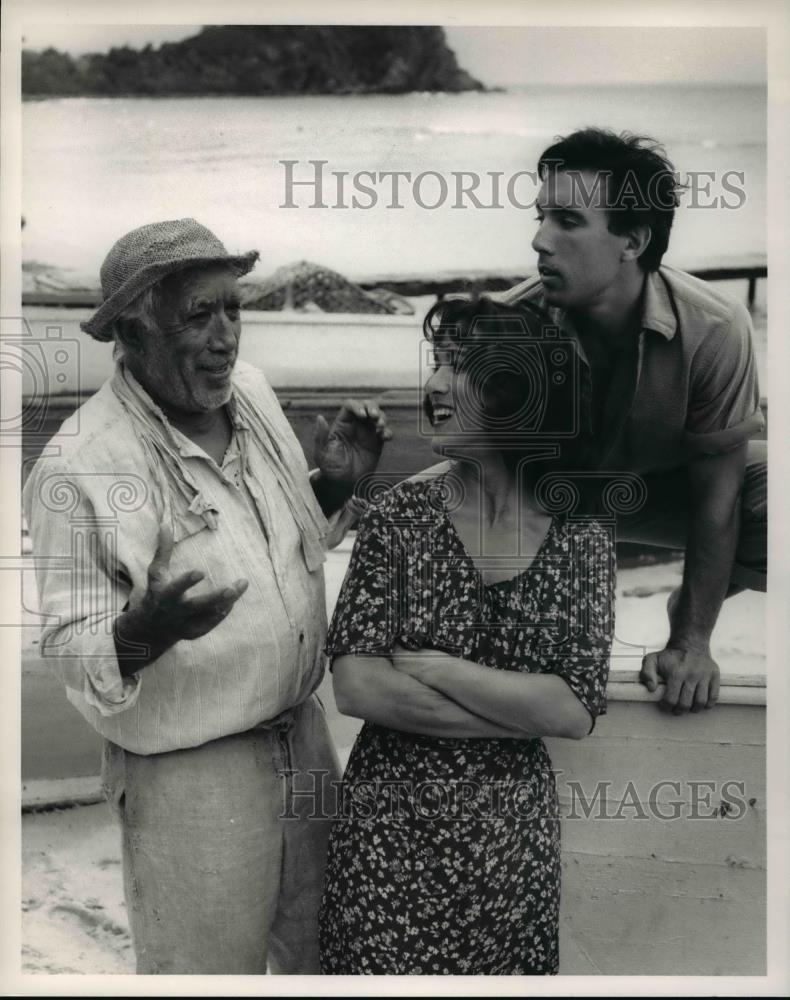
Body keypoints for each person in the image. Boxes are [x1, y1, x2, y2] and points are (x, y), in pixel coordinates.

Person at [22, 218, 391, 975]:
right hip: (192, 780)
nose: (227, 338)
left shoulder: (250, 392)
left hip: (305, 740)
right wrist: (145, 632)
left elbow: (277, 538)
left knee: (327, 963)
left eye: (233, 310)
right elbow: (67, 645)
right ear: (132, 329)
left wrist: (335, 487)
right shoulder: (76, 468)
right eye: (199, 315)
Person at [318, 296, 615, 974]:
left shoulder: (581, 531)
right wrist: (517, 711)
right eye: (436, 365)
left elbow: (571, 711)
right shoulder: (399, 517)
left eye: (458, 367)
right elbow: (358, 685)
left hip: (510, 865)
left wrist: (436, 667)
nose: (433, 387)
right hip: (386, 848)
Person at [442, 128, 765, 714]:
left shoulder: (717, 329)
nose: (539, 240)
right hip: (551, 498)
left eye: (567, 220)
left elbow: (720, 498)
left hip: (670, 489)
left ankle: (691, 602)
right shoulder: (513, 322)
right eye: (541, 216)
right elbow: (477, 479)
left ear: (633, 241)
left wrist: (691, 641)